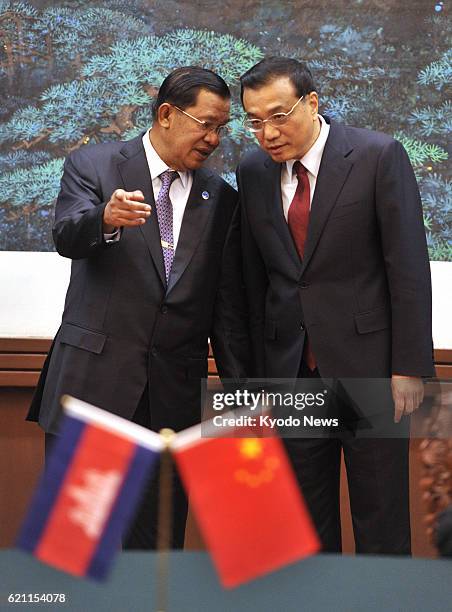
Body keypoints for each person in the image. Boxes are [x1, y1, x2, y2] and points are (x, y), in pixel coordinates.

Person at [28, 66, 249, 549]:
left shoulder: (222, 199)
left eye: (222, 128)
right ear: (167, 114)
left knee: (158, 549)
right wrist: (105, 219)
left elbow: (227, 311)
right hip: (94, 388)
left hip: (172, 399)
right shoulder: (95, 165)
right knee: (79, 544)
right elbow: (67, 235)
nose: (214, 139)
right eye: (206, 124)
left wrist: (243, 397)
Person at [237, 57, 435, 554]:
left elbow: (407, 267)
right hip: (292, 374)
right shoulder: (253, 172)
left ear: (312, 103)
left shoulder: (376, 155)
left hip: (370, 370)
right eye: (255, 121)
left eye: (279, 115)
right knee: (303, 521)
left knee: (380, 515)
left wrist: (408, 366)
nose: (268, 132)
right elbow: (253, 280)